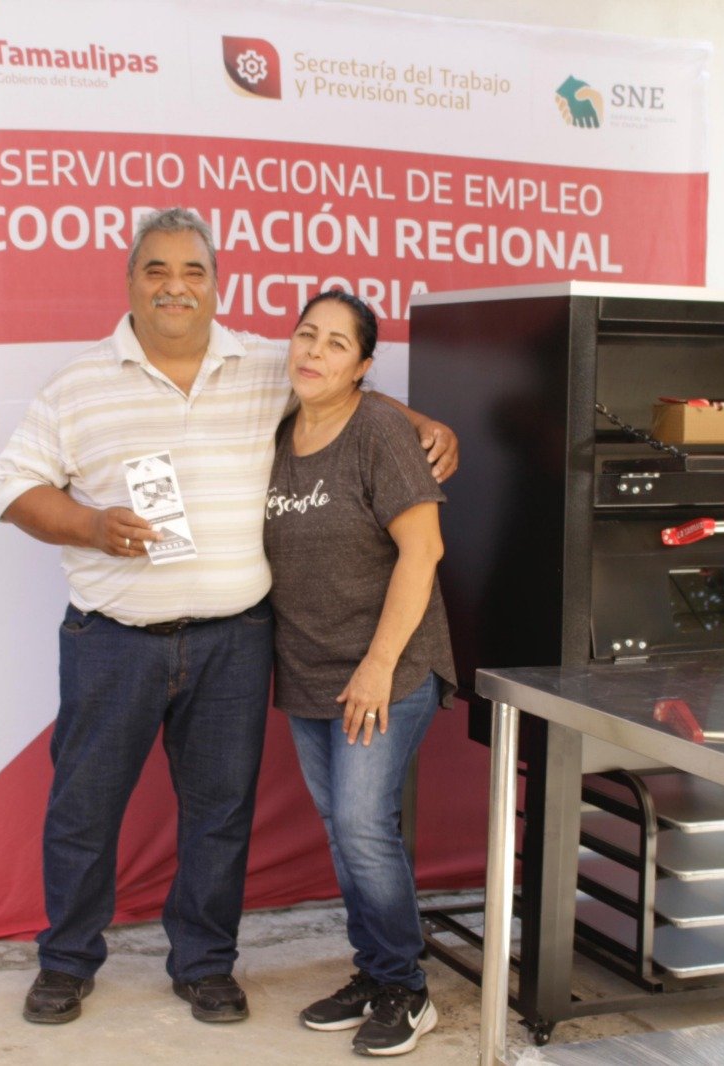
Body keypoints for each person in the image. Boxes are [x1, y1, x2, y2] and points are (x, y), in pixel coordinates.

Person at [0, 208, 457, 1027]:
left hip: (234, 641)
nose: (175, 287)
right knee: (84, 809)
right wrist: (91, 526)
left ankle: (206, 965)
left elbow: (339, 388)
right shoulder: (77, 384)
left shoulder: (262, 365)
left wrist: (420, 424)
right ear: (130, 282)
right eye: (157, 270)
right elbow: (16, 490)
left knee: (220, 815)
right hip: (113, 640)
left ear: (216, 285)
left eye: (193, 271)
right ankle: (65, 962)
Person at [263, 290, 456, 1057]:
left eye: (337, 344)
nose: (315, 352)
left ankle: (407, 989)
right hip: (309, 669)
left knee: (362, 825)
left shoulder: (378, 431)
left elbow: (424, 550)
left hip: (388, 667)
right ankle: (375, 972)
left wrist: (378, 667)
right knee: (344, 832)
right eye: (307, 335)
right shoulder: (277, 428)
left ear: (363, 366)